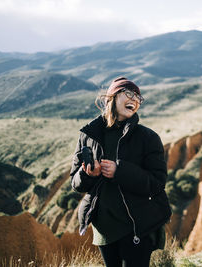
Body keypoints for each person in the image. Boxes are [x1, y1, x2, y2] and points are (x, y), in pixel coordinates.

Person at [70, 77, 172, 267]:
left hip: (137, 226)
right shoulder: (89, 135)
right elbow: (76, 183)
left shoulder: (148, 138)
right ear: (112, 97)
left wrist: (120, 171)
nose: (135, 99)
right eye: (129, 93)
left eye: (139, 98)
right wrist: (87, 174)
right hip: (104, 229)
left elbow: (157, 183)